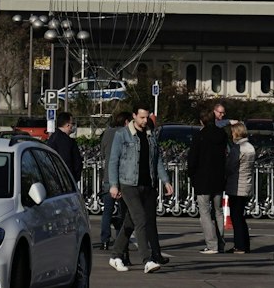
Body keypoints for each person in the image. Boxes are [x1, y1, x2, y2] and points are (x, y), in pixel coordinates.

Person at [106, 104, 172, 273]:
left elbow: (156, 161)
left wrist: (165, 180)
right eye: (142, 117)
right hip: (128, 183)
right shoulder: (122, 134)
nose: (145, 121)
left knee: (130, 222)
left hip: (147, 184)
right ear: (134, 116)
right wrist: (114, 185)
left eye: (147, 117)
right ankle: (147, 260)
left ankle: (115, 255)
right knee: (141, 219)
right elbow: (113, 161)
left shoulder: (151, 135)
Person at [188, 108, 229, 254]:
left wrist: (191, 175)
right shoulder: (222, 135)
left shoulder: (199, 136)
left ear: (201, 121)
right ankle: (221, 243)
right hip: (218, 178)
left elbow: (192, 159)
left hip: (202, 179)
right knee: (218, 212)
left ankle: (212, 245)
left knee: (205, 213)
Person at [97, 110, 129, 250]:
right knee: (123, 211)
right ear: (127, 122)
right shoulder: (126, 134)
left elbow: (103, 153)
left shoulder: (107, 133)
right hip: (123, 177)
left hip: (108, 177)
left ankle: (104, 240)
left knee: (107, 211)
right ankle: (121, 241)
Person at [226, 121, 256, 254]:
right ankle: (245, 244)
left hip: (236, 185)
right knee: (241, 216)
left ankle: (239, 245)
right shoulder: (250, 147)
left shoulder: (237, 148)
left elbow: (230, 167)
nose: (231, 134)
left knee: (235, 216)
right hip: (247, 184)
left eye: (232, 132)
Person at [46, 115, 82, 182]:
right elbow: (68, 161)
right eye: (72, 124)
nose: (73, 126)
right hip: (66, 180)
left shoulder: (52, 138)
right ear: (68, 125)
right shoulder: (66, 141)